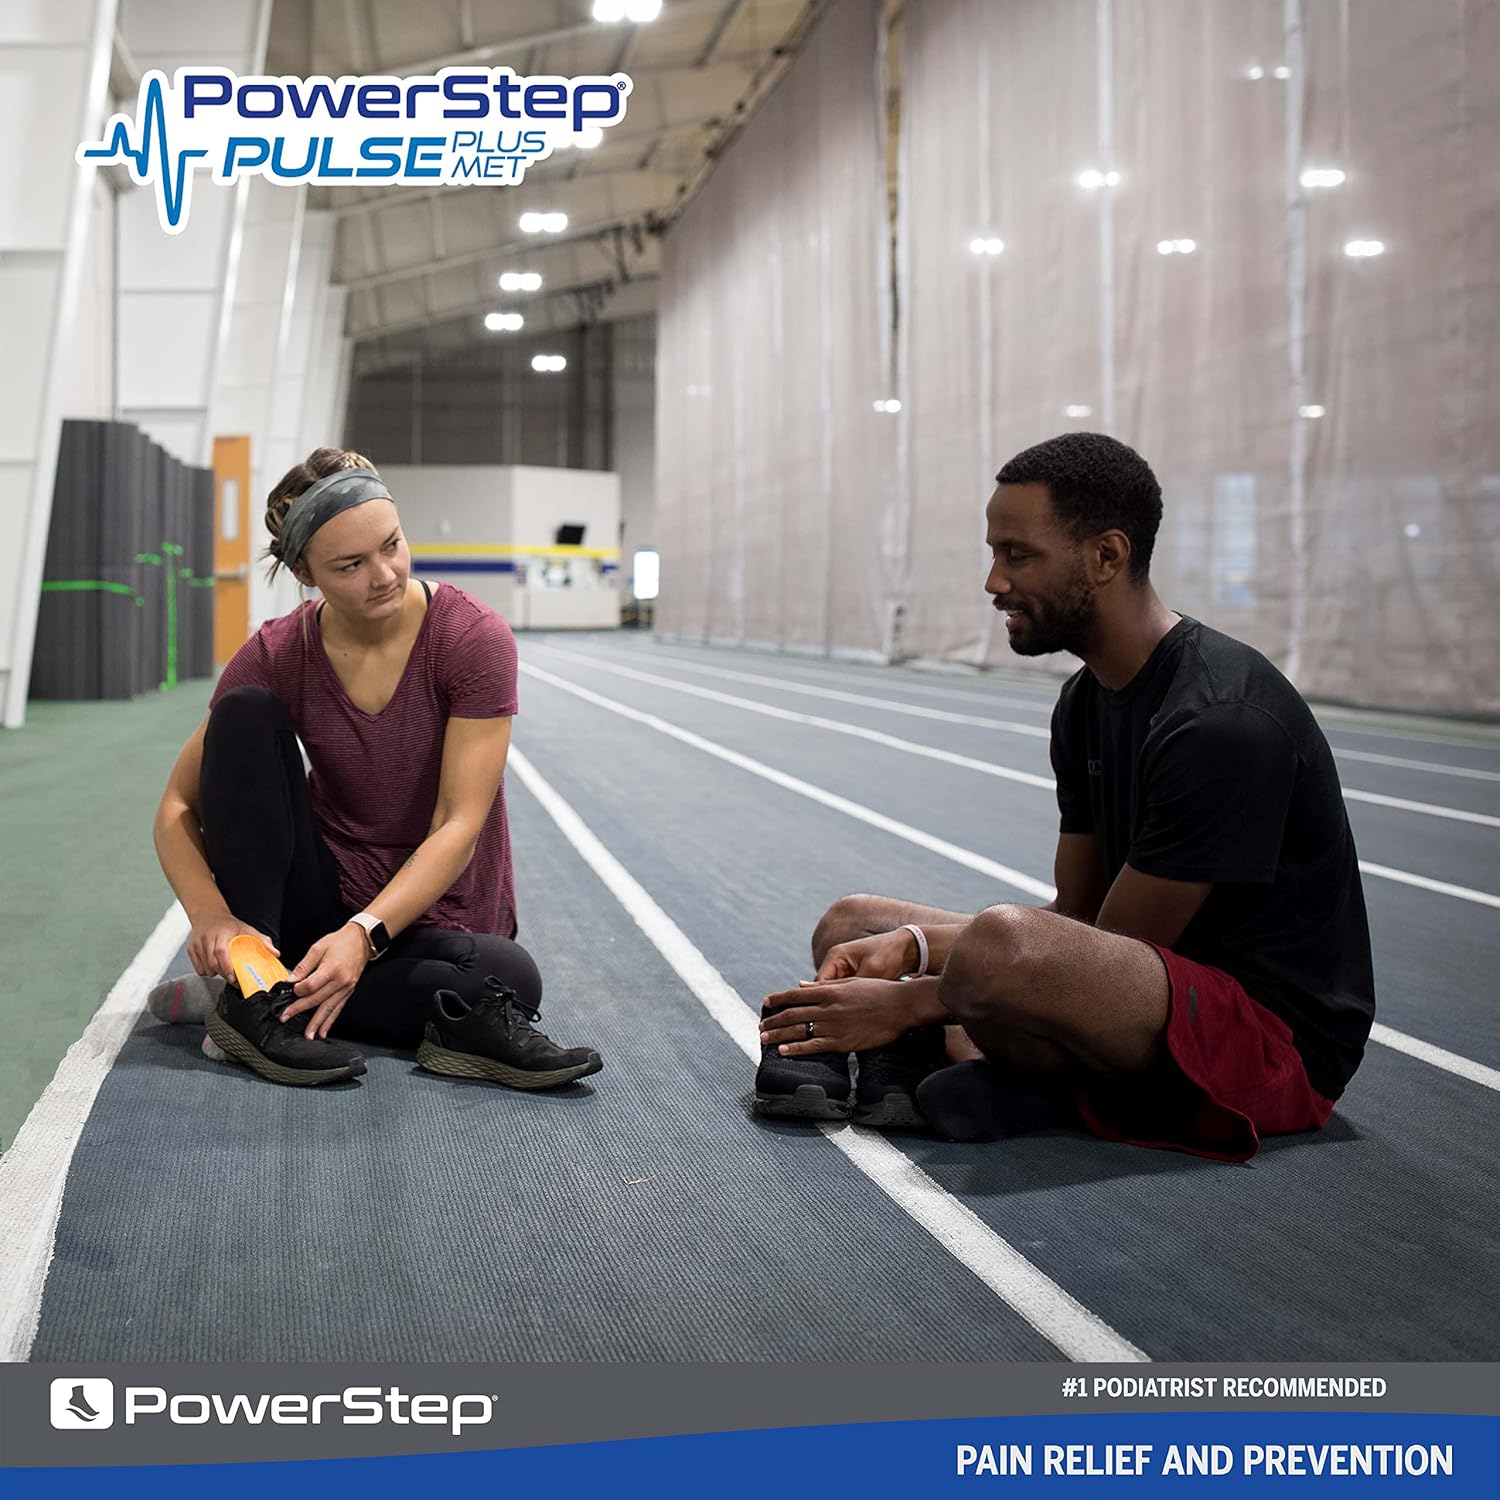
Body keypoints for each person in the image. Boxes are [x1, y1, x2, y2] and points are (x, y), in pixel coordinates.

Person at [754, 432, 1375, 1160]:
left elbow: (1113, 945)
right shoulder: (1084, 702)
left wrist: (907, 1001)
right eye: (994, 553)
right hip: (1141, 985)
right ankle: (980, 1064)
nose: (993, 581)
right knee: (853, 925)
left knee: (999, 947)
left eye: (1018, 555)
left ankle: (971, 1059)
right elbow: (1078, 915)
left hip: (1264, 1046)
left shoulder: (1219, 723)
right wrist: (910, 947)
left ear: (1106, 557)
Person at [148, 447, 602, 1090]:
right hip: (320, 900)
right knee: (244, 712)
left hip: (429, 918)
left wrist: (362, 936)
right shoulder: (280, 651)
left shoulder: (470, 638)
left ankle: (258, 994)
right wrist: (212, 917)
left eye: (392, 545)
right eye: (350, 565)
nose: (384, 575)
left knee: (506, 978)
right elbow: (175, 808)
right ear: (305, 573)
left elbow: (458, 824)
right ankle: (259, 985)